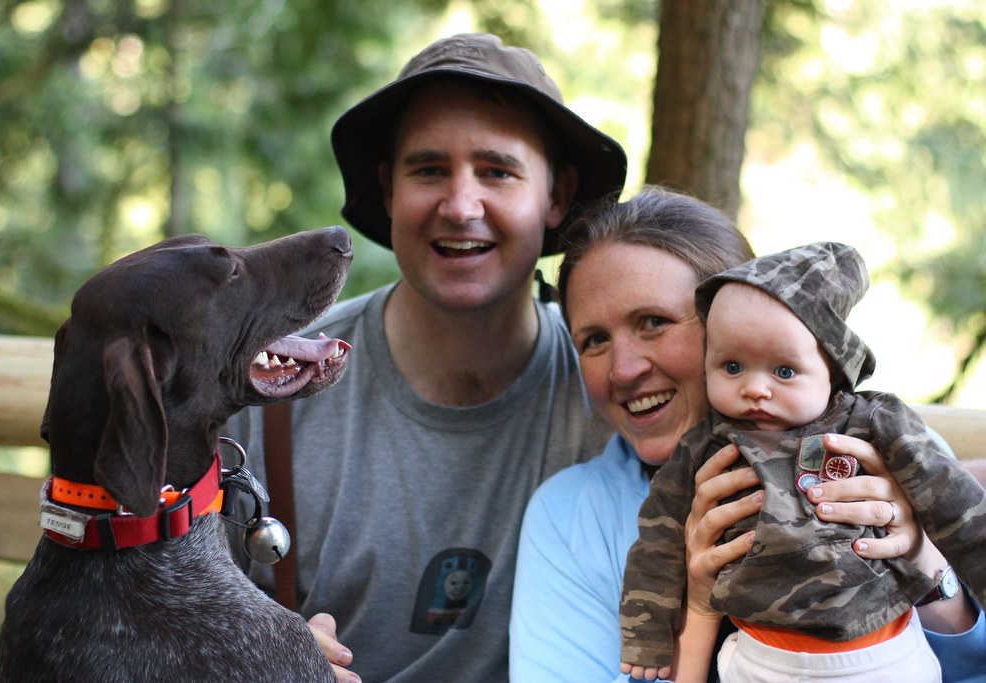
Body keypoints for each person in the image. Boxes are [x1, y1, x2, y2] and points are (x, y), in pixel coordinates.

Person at [227, 33, 627, 682]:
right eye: (429, 169)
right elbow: (154, 620)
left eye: (497, 171)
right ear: (388, 189)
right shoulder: (271, 387)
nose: (460, 205)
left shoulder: (617, 394)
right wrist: (251, 657)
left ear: (558, 194)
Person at [509, 187, 986, 682]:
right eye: (595, 341)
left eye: (653, 322)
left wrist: (922, 559)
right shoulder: (567, 516)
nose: (623, 370)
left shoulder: (881, 451)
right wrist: (697, 609)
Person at [619, 241, 986, 682]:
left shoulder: (872, 424)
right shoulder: (705, 446)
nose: (756, 388)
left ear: (831, 370)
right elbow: (658, 541)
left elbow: (958, 507)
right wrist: (646, 635)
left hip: (880, 647)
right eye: (732, 366)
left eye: (784, 371)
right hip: (763, 655)